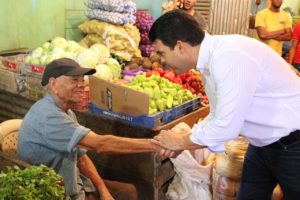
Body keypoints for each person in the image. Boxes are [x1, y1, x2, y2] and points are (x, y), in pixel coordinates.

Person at [149, 10, 300, 199]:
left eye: (162, 53)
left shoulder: (229, 56)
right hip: (261, 145)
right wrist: (185, 141)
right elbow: (217, 115)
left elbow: (226, 126)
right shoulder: (209, 61)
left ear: (180, 46)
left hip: (293, 145)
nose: (162, 61)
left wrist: (181, 141)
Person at [17, 58, 176, 200]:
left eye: (82, 79)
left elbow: (81, 158)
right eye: (74, 80)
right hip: (59, 192)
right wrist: (157, 144)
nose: (82, 84)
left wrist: (102, 190)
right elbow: (101, 144)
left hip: (77, 184)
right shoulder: (48, 116)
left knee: (131, 192)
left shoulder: (67, 112)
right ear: (53, 84)